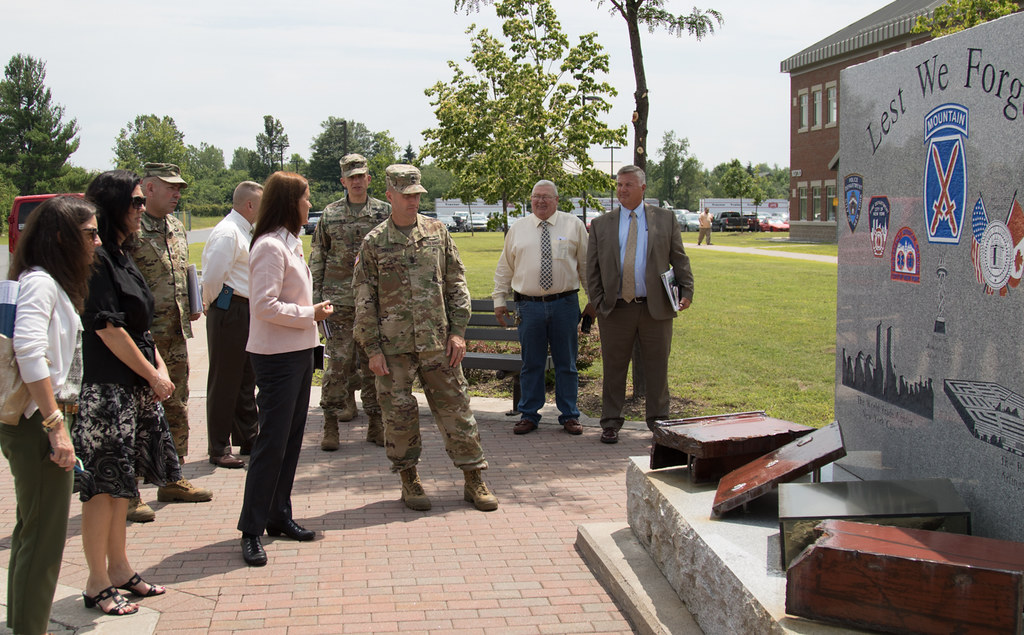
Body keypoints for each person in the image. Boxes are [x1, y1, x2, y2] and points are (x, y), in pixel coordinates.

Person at [354, 164, 497, 513]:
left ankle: (474, 478)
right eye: (406, 196)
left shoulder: (437, 232)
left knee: (458, 411)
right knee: (399, 416)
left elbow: (455, 282)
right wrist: (372, 349)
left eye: (417, 195)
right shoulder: (374, 243)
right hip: (393, 350)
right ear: (389, 196)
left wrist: (459, 332)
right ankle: (409, 480)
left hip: (437, 343)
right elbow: (364, 299)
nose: (413, 201)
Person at [76, 170, 181, 615]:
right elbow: (107, 327)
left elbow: (139, 326)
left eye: (142, 202)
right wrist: (152, 375)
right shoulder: (96, 258)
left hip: (133, 388)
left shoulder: (121, 254)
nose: (142, 209)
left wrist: (157, 367)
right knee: (102, 489)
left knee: (125, 486)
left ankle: (120, 569)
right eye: (136, 203)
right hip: (105, 391)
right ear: (113, 205)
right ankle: (96, 582)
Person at [0, 197, 98, 634]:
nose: (97, 241)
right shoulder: (41, 282)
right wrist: (56, 426)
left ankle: (26, 624)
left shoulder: (46, 281)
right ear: (61, 238)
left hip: (45, 420)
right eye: (89, 234)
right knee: (42, 541)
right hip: (41, 423)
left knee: (33, 533)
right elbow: (29, 353)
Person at [237, 171, 333, 567]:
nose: (310, 204)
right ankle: (251, 529)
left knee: (291, 440)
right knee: (271, 443)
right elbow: (263, 305)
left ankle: (279, 515)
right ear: (289, 202)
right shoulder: (269, 248)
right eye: (306, 197)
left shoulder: (290, 245)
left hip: (297, 352)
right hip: (276, 358)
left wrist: (311, 319)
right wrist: (310, 313)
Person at [586, 165, 694, 444]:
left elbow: (679, 258)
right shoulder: (601, 224)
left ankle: (659, 422)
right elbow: (592, 269)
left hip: (655, 308)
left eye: (628, 185)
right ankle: (610, 422)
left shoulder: (665, 219)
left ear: (643, 188)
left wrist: (687, 290)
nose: (622, 189)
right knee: (614, 368)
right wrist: (598, 301)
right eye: (619, 184)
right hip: (615, 309)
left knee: (657, 366)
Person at [128, 162, 210, 521]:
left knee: (176, 403)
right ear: (148, 188)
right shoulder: (129, 227)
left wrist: (191, 303)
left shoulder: (175, 226)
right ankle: (127, 491)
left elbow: (180, 272)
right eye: (170, 187)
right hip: (141, 338)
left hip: (174, 333)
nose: (177, 194)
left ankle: (172, 478)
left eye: (179, 189)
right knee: (135, 412)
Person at [493, 180, 595, 436]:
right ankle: (529, 414)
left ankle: (570, 414)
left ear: (557, 200)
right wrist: (499, 300)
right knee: (531, 363)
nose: (540, 201)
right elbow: (505, 267)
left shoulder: (574, 225)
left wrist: (593, 301)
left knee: (567, 363)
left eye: (546, 197)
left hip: (565, 304)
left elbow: (585, 266)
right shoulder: (518, 229)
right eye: (536, 196)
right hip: (529, 306)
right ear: (531, 199)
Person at [309, 153, 391, 450]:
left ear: (369, 179)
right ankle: (330, 424)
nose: (357, 181)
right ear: (343, 181)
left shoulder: (384, 213)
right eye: (351, 177)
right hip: (339, 303)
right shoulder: (329, 215)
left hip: (374, 303)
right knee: (337, 366)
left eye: (361, 176)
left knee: (375, 366)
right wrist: (316, 301)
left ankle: (375, 423)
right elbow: (318, 256)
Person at [201, 181, 263, 468]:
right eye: (261, 203)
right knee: (225, 380)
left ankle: (248, 437)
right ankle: (218, 447)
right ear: (249, 205)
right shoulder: (228, 233)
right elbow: (213, 277)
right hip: (229, 309)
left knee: (245, 379)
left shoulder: (242, 231)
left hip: (243, 309)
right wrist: (212, 306)